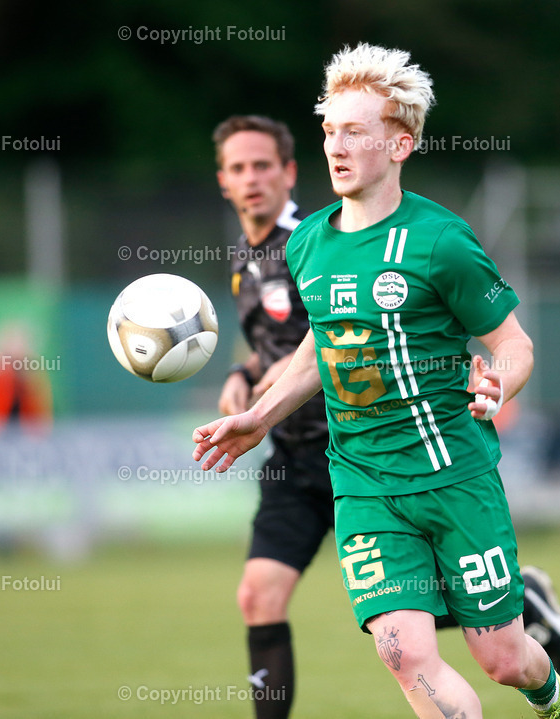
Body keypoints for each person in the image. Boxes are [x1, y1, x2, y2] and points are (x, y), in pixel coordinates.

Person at [199, 41, 560, 717]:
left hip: (453, 476)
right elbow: (326, 343)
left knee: (501, 657)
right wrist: (259, 415)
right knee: (405, 653)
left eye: (355, 130)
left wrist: (497, 383)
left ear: (400, 144)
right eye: (329, 130)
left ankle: (556, 701)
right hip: (363, 483)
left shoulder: (441, 241)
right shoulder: (308, 242)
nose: (337, 145)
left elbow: (513, 343)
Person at [212, 114, 333, 719]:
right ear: (223, 182)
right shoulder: (245, 255)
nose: (251, 178)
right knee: (258, 596)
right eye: (238, 168)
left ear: (289, 172)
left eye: (263, 165)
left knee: (414, 613)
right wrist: (241, 373)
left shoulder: (315, 243)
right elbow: (270, 347)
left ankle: (524, 601)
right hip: (292, 456)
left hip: (357, 449)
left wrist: (259, 381)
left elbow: (330, 341)